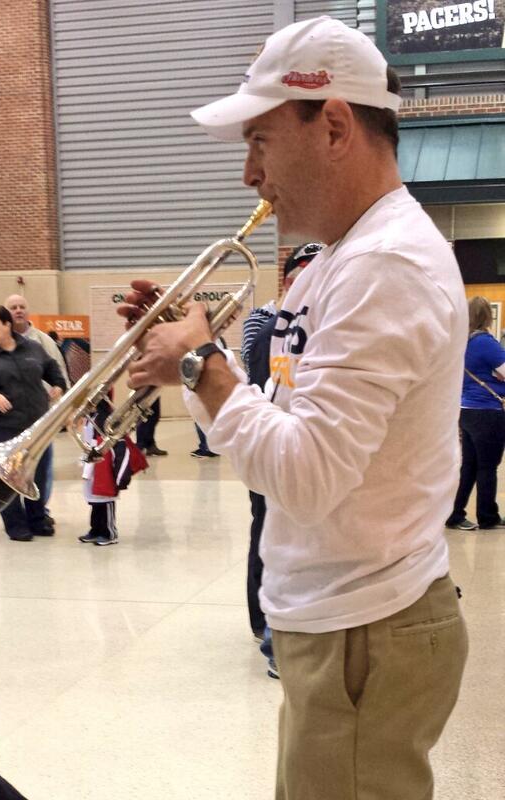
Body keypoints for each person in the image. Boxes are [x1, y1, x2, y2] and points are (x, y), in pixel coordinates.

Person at [118, 17, 469, 799]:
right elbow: (282, 426)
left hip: (364, 632)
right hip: (344, 625)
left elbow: (307, 476)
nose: (249, 174)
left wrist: (201, 367)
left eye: (262, 142)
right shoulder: (338, 261)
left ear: (335, 125)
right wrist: (191, 353)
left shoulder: (385, 267)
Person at [242, 243, 323, 675]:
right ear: (287, 282)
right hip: (270, 450)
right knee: (267, 531)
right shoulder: (268, 329)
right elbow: (256, 389)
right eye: (299, 276)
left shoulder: (333, 323)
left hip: (309, 460)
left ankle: (279, 626)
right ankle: (265, 620)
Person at [0, 306, 66, 542]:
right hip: (2, 428)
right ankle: (15, 524)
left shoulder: (33, 348)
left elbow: (51, 368)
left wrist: (59, 384)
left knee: (38, 475)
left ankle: (37, 519)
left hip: (36, 425)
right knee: (6, 478)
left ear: (7, 325)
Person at [4, 295, 70, 524]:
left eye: (22, 306)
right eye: (13, 308)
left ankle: (39, 509)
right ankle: (15, 513)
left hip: (40, 415)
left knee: (42, 465)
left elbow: (59, 372)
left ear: (28, 311)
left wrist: (60, 393)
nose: (18, 311)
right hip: (8, 417)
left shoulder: (43, 341)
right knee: (11, 467)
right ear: (6, 313)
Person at [446, 296, 505, 531]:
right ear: (486, 317)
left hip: (466, 410)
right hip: (488, 411)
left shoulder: (459, 342)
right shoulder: (485, 343)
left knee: (469, 465)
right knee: (487, 466)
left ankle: (454, 514)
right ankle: (487, 516)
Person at [79, 399, 148, 545]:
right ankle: (95, 529)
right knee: (94, 500)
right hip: (91, 462)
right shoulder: (89, 418)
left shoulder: (106, 419)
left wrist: (120, 475)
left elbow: (119, 446)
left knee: (105, 499)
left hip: (104, 463)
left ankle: (109, 532)